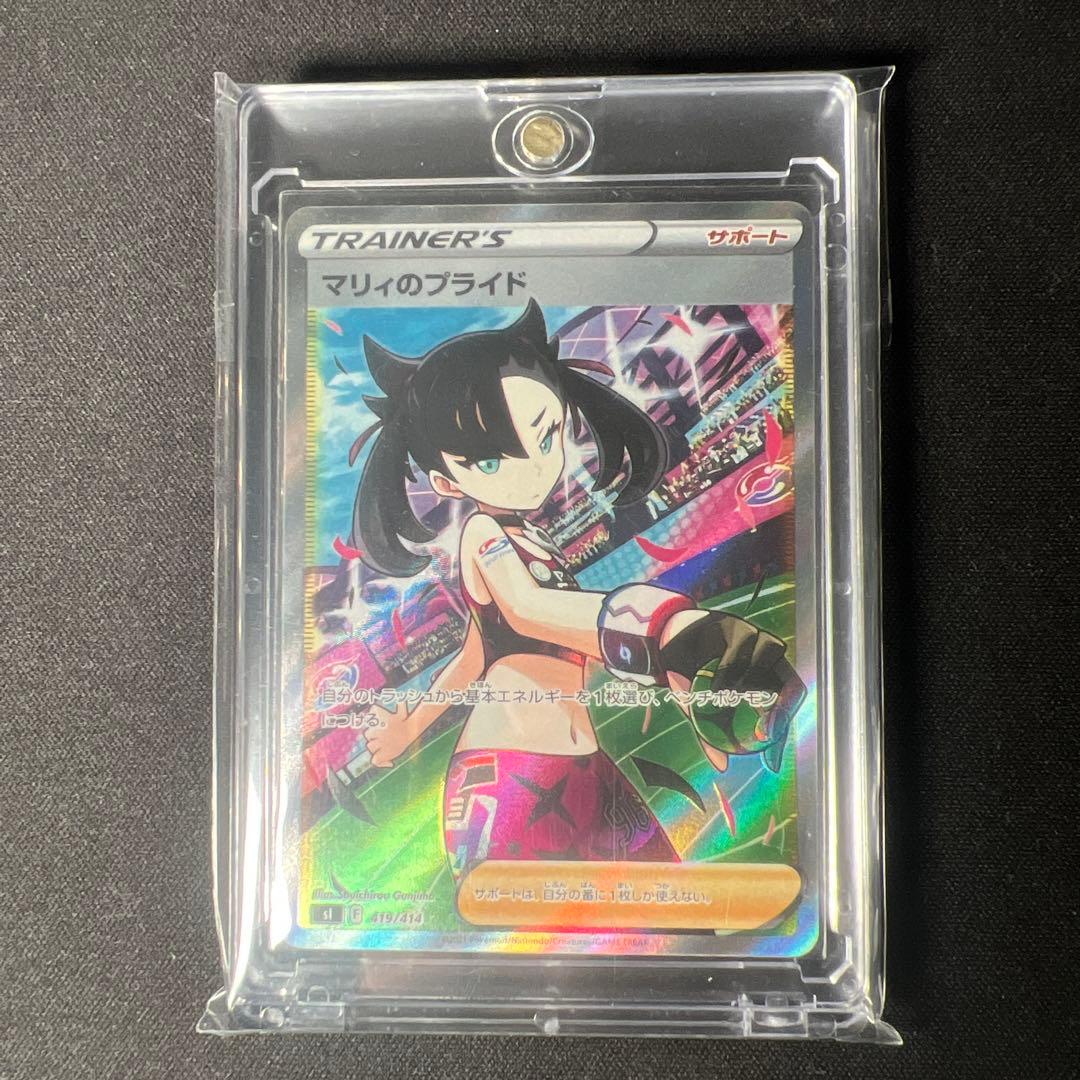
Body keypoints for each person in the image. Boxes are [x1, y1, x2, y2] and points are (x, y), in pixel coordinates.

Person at [348, 300, 804, 881]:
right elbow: (529, 609)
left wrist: (668, 672)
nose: (534, 468)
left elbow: (474, 655)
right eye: (490, 462)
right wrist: (666, 631)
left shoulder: (533, 537)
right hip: (513, 775)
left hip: (586, 764)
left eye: (547, 436)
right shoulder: (483, 533)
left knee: (671, 914)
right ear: (445, 481)